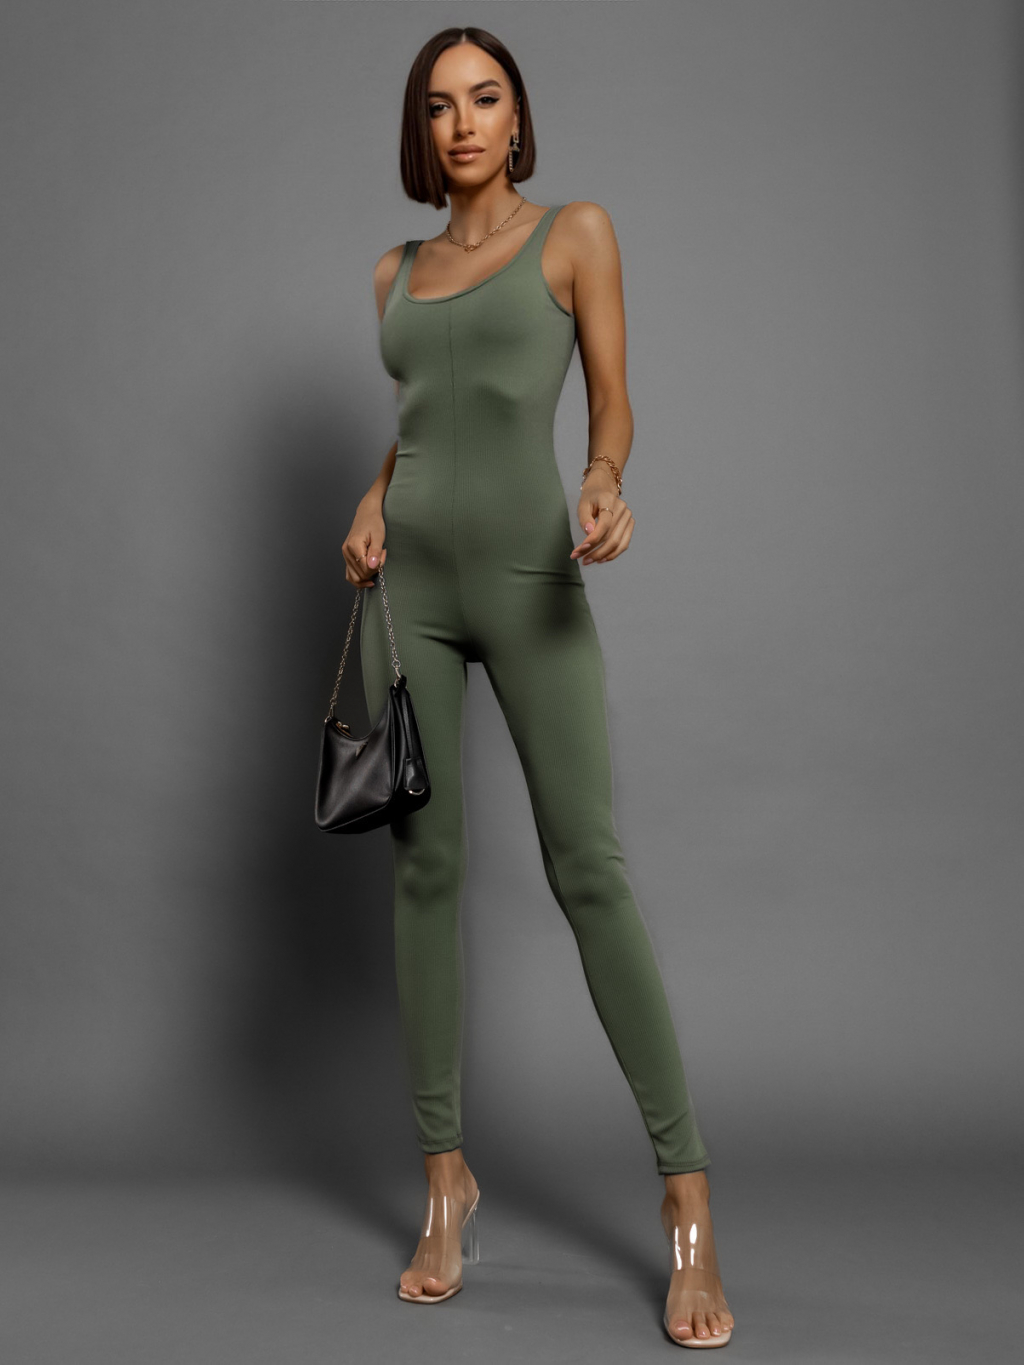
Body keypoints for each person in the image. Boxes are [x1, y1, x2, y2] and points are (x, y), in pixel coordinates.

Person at [343, 25, 735, 1349]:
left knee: (588, 870)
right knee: (425, 873)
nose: (463, 123)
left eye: (486, 99)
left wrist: (606, 478)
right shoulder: (393, 273)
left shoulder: (576, 234)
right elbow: (420, 427)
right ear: (423, 129)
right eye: (439, 105)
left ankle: (687, 1197)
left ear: (518, 119)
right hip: (410, 593)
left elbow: (611, 403)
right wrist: (372, 499)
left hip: (531, 582)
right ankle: (444, 1177)